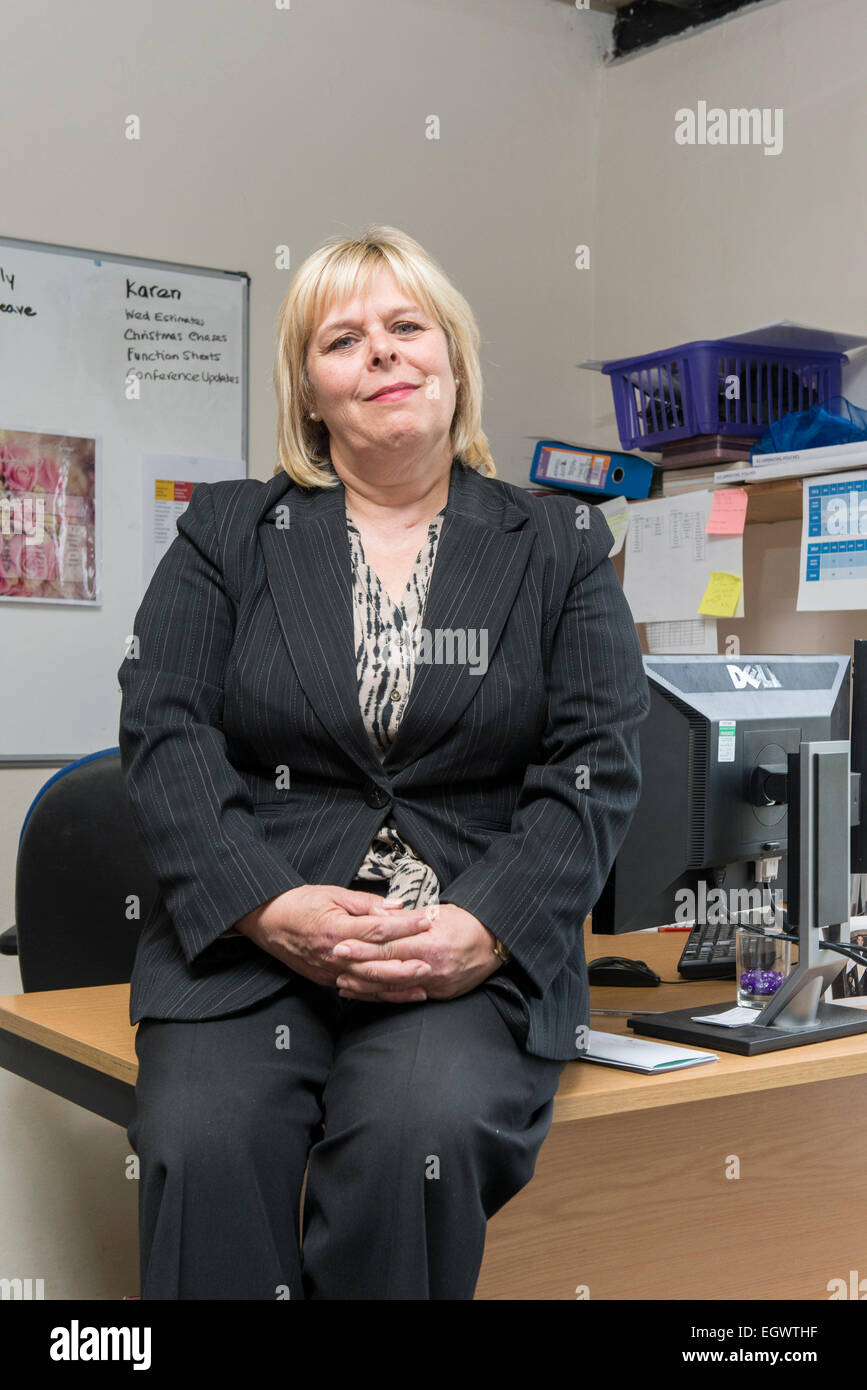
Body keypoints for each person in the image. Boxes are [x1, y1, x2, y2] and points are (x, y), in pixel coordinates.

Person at [118, 224, 651, 1300]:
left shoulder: (559, 548)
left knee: (423, 1134)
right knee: (203, 1135)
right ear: (309, 392)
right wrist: (267, 905)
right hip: (253, 942)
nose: (383, 354)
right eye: (343, 339)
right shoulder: (227, 533)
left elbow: (595, 759)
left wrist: (487, 924)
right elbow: (165, 731)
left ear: (455, 362)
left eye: (409, 327)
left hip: (459, 950)